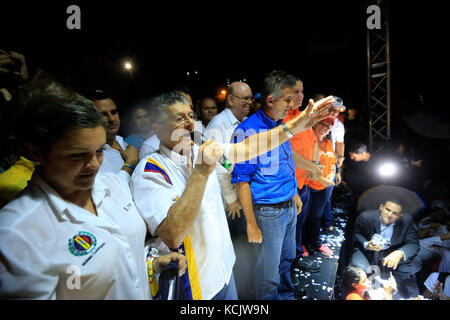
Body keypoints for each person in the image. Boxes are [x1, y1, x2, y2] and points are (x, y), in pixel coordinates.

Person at [130, 90, 335, 300]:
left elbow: (249, 147)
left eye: (191, 116)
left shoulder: (199, 148)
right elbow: (172, 234)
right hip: (196, 284)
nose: (190, 124)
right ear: (158, 128)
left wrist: (296, 125)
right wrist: (201, 172)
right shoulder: (150, 171)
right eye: (179, 119)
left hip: (225, 270)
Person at [0, 80, 186, 299]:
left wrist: (150, 263)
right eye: (78, 155)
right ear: (37, 152)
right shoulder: (17, 232)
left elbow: (122, 248)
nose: (94, 165)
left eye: (99, 151)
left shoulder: (114, 184)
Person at [231, 70, 334, 300]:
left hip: (287, 205)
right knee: (268, 273)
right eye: (287, 99)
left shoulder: (280, 124)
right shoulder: (248, 131)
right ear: (270, 100)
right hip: (268, 212)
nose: (291, 105)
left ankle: (286, 296)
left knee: (287, 260)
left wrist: (294, 195)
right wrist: (251, 223)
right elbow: (241, 181)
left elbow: (286, 161)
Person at [205, 81, 253, 297]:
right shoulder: (218, 124)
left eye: (251, 98)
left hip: (243, 190)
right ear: (231, 99)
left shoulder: (244, 121)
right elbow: (220, 164)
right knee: (237, 246)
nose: (249, 102)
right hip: (229, 196)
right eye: (244, 98)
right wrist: (231, 198)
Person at [351, 199, 422, 298]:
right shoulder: (366, 217)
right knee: (360, 270)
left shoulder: (407, 221)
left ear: (400, 216)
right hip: (367, 252)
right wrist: (366, 244)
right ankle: (370, 284)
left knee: (416, 263)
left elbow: (413, 244)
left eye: (394, 213)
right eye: (387, 210)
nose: (390, 215)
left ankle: (395, 281)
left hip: (389, 253)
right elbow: (356, 234)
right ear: (381, 207)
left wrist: (400, 252)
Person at [303, 116, 336, 257]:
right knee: (303, 218)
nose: (326, 127)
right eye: (323, 123)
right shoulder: (308, 142)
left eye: (329, 125)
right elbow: (306, 167)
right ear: (315, 124)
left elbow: (333, 163)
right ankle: (301, 244)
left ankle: (316, 242)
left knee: (316, 217)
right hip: (308, 186)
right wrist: (324, 179)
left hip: (323, 187)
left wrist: (331, 175)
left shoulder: (328, 143)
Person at [88, 89, 138, 182]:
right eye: (103, 114)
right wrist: (130, 163)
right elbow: (113, 192)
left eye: (114, 112)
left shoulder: (121, 141)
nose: (111, 118)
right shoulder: (93, 156)